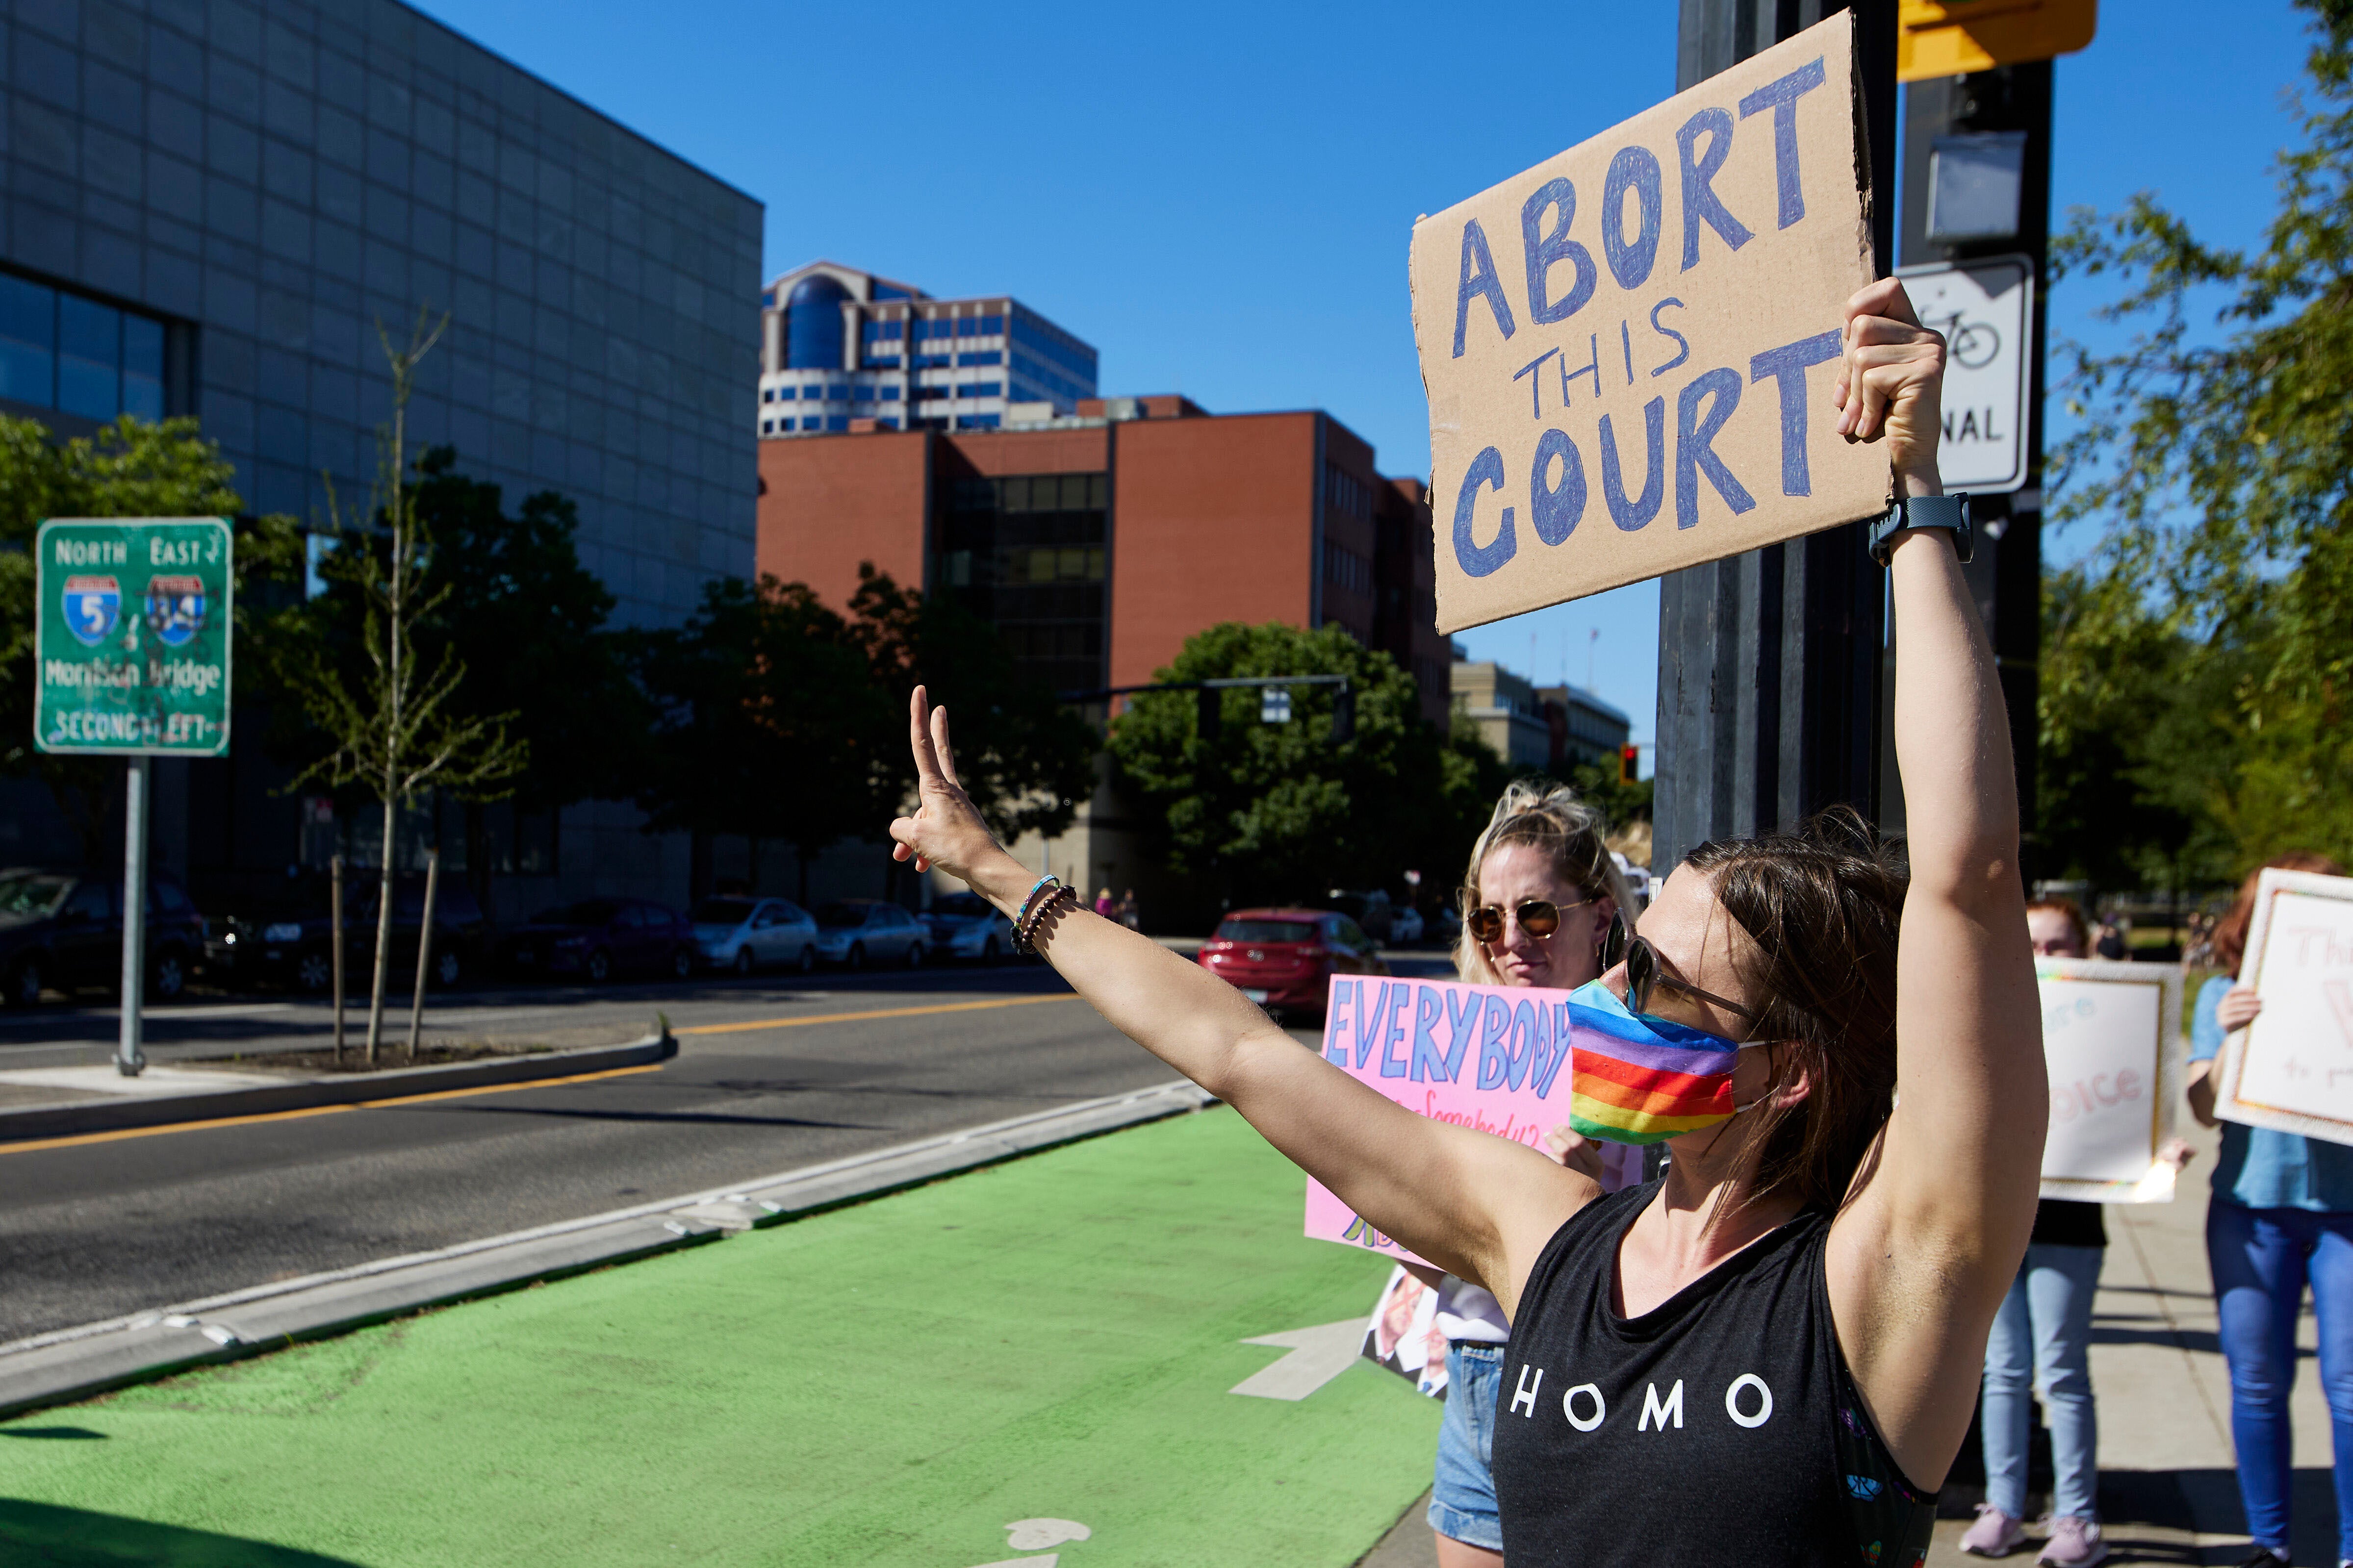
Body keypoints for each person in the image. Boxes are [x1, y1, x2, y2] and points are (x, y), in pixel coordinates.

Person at [889, 278, 2039, 1567]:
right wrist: (993, 869)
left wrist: (1914, 498)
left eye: (1654, 978)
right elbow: (1242, 1052)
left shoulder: (1875, 1286)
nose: (1606, 990)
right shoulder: (1541, 1233)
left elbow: (1966, 874)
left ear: (1787, 1072)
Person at [1416, 779, 1637, 1568]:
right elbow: (1416, 1255)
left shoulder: (1648, 1050)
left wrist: (1589, 1207)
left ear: (1601, 914)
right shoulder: (1445, 1047)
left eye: (1538, 912)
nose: (1511, 938)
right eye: (1489, 917)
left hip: (1602, 1384)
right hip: (1479, 1371)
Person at [2187, 852, 2353, 1568]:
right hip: (2249, 1213)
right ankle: (2268, 1545)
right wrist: (2229, 1038)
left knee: (2348, 1385)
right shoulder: (2220, 995)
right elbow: (2199, 1108)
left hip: (2345, 1215)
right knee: (2255, 1381)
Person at [1961, 898, 2114, 1562]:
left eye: (2058, 946)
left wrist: (2153, 1151)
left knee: (2060, 1369)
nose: (2044, 959)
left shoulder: (2112, 1021)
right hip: (1997, 1214)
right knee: (2001, 1369)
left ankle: (2075, 1517)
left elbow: (2136, 1103)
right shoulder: (1983, 1011)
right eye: (2033, 945)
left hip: (2070, 1223)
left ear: (2085, 950)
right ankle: (2004, 1506)